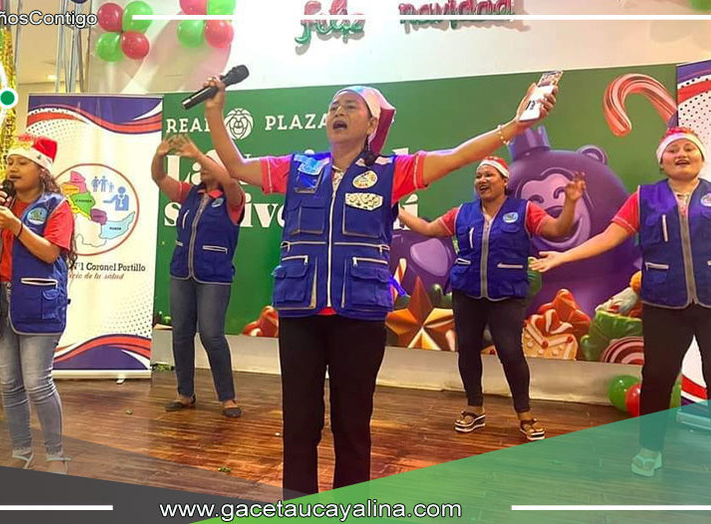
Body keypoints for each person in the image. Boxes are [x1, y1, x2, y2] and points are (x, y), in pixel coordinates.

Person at [203, 76, 557, 495]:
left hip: (360, 317)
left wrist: (514, 127)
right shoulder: (298, 168)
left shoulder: (393, 171)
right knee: (299, 424)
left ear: (372, 124)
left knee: (352, 425)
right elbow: (237, 166)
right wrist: (214, 112)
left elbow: (457, 157)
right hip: (301, 313)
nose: (338, 111)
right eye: (334, 106)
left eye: (350, 106)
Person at [532, 127, 711, 494]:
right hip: (664, 303)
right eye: (673, 150)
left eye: (689, 149)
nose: (682, 154)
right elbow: (608, 237)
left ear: (701, 157)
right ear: (661, 161)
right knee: (658, 378)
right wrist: (563, 257)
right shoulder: (644, 198)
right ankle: (650, 449)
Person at [397, 156, 585, 441]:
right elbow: (428, 228)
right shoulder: (462, 213)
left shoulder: (524, 211)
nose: (482, 180)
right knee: (468, 350)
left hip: (506, 294)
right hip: (466, 292)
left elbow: (558, 229)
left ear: (504, 181)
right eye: (478, 176)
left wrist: (570, 203)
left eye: (489, 175)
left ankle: (524, 413)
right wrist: (396, 209)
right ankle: (474, 407)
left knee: (510, 353)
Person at [0, 135, 75, 474]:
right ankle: (22, 451)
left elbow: (50, 253)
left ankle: (56, 455)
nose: (12, 168)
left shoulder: (57, 206)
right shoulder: (1, 204)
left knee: (37, 383)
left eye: (22, 163)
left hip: (38, 301)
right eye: (10, 162)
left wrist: (16, 226)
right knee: (10, 384)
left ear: (41, 170)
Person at [151, 134, 245, 418]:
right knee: (181, 334)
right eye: (202, 164)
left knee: (211, 335)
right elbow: (159, 177)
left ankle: (227, 398)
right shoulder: (190, 194)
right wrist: (159, 155)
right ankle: (185, 394)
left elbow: (229, 181)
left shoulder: (233, 198)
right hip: (182, 272)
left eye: (209, 163)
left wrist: (197, 155)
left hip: (214, 277)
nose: (202, 167)